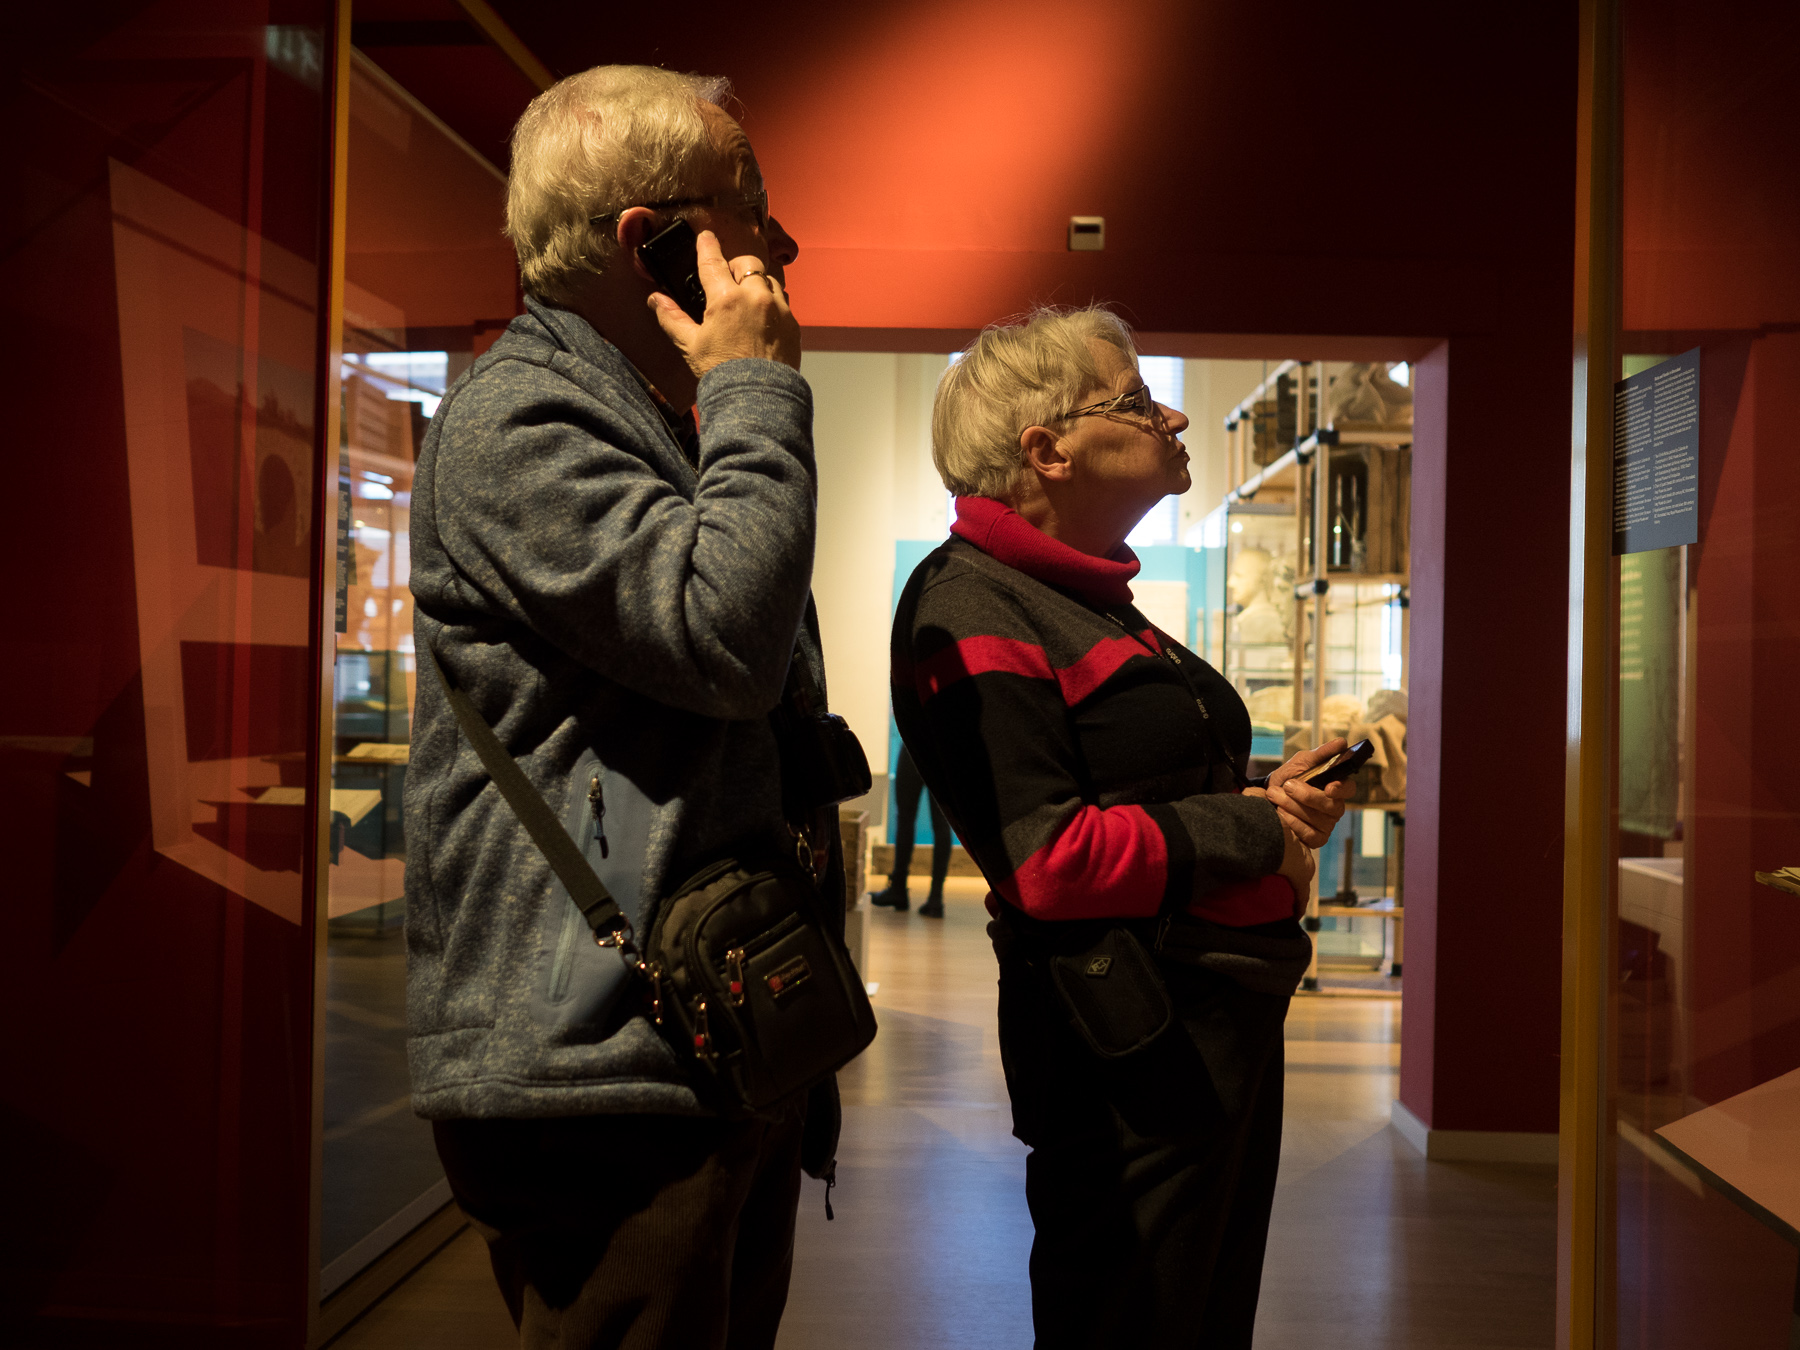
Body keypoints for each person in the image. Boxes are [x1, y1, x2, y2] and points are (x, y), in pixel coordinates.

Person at [405, 66, 838, 1349]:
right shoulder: (523, 417)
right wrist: (760, 393)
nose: (783, 244)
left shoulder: (639, 414)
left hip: (681, 1035)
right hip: (595, 1063)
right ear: (650, 237)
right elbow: (722, 639)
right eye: (751, 209)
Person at [890, 306, 1352, 1349]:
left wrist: (1271, 800)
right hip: (1132, 1047)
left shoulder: (1078, 598)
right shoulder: (971, 605)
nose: (1173, 415)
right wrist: (1248, 832)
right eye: (1135, 401)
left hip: (1205, 1021)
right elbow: (1048, 860)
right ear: (1044, 451)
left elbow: (1144, 789)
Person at [870, 742, 952, 915]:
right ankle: (936, 898)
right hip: (945, 750)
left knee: (905, 818)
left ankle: (899, 888)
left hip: (915, 743)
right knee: (942, 823)